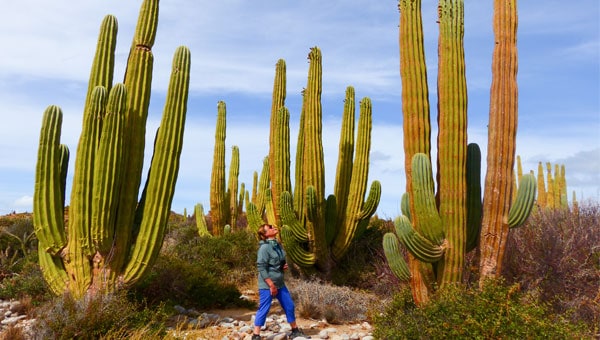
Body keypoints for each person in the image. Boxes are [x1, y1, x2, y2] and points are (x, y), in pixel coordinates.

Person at [252, 224, 309, 340]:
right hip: (267, 285)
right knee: (264, 308)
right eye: (270, 227)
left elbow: (278, 261)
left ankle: (295, 330)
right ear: (265, 234)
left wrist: (282, 267)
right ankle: (256, 335)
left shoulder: (277, 245)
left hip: (280, 283)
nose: (273, 228)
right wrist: (271, 285)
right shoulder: (264, 248)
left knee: (289, 305)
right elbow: (261, 268)